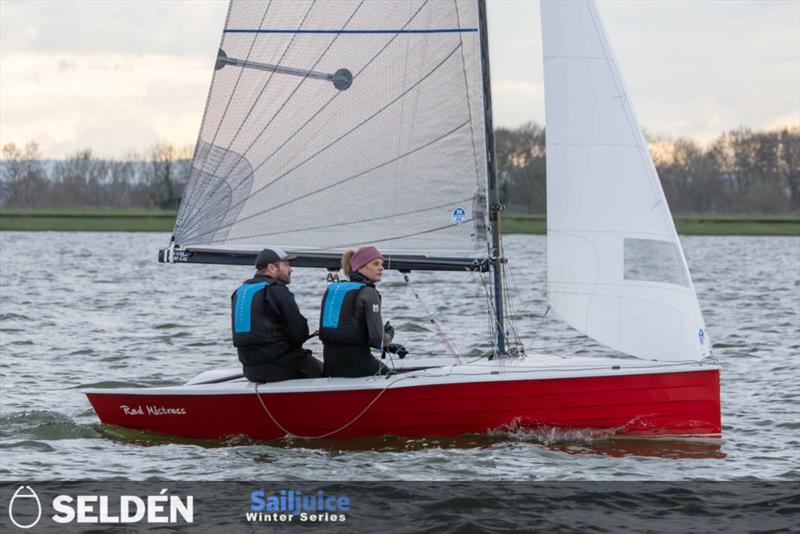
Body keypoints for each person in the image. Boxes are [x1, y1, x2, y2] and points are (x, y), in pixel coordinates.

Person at [231, 247, 323, 383]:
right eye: (286, 265)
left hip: (250, 370)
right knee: (327, 372)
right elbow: (299, 333)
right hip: (283, 367)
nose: (291, 269)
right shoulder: (277, 290)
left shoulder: (239, 292)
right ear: (272, 268)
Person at [319, 245, 406, 377]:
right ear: (359, 267)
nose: (381, 267)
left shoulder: (333, 288)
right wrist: (388, 335)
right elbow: (378, 339)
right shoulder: (369, 293)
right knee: (394, 379)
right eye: (375, 263)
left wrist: (388, 345)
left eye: (381, 264)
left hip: (331, 364)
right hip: (358, 364)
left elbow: (346, 327)